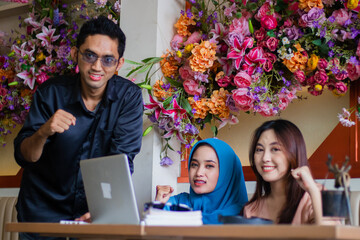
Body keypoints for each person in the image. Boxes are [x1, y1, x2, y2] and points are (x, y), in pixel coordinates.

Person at [13, 16, 143, 239]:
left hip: (90, 212)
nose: (97, 67)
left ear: (119, 64)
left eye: (108, 59)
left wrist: (104, 211)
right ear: (76, 54)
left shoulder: (128, 98)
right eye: (90, 55)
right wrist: (44, 131)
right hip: (42, 210)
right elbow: (25, 156)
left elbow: (121, 162)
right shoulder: (50, 93)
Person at [242, 119, 323, 224]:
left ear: (294, 153)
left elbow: (333, 234)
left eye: (275, 149)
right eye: (259, 150)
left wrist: (314, 191)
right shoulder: (251, 210)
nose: (265, 158)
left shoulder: (317, 196)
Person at [155, 138, 248, 224]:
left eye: (209, 166)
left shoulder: (245, 215)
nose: (199, 172)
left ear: (227, 172)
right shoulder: (177, 204)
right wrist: (158, 207)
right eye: (194, 165)